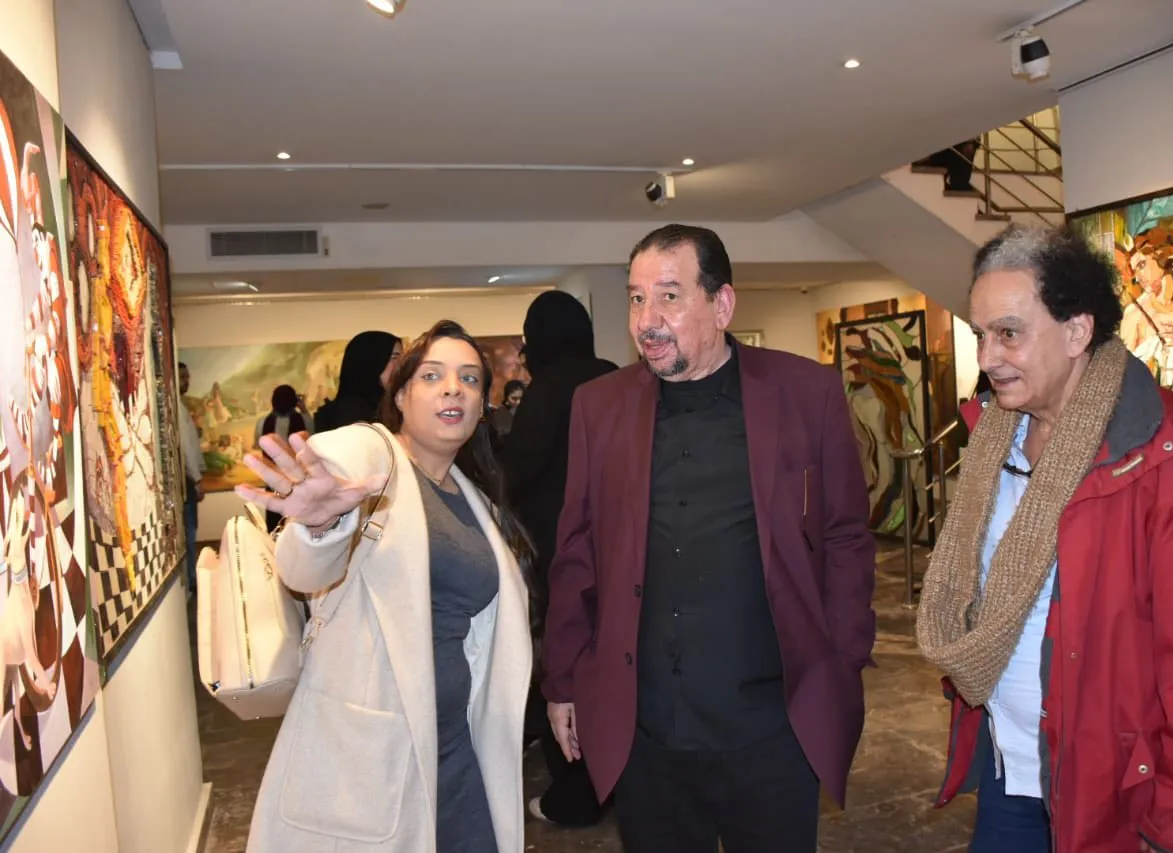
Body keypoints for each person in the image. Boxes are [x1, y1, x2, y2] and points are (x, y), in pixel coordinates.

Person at [916, 224, 1173, 853]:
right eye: (981, 335)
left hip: (1120, 800)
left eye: (1009, 333)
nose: (989, 357)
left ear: (1078, 331)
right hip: (1009, 775)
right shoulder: (996, 443)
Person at [541, 224, 877, 852]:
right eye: (636, 298)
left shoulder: (807, 393)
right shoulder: (598, 406)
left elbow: (845, 536)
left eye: (669, 296)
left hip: (774, 727)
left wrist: (844, 656)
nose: (647, 320)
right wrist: (562, 680)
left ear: (722, 305)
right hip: (648, 732)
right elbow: (576, 552)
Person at [237, 320, 534, 853]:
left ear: (481, 406)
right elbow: (303, 571)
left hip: (455, 744)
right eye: (432, 376)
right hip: (373, 752)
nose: (453, 389)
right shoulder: (371, 456)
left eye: (469, 379)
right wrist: (319, 524)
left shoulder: (475, 500)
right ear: (400, 395)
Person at [499, 290, 617, 827]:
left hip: (562, 547)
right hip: (623, 546)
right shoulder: (615, 375)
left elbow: (519, 471)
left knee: (566, 664)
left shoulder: (547, 389)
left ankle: (576, 791)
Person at [312, 330, 402, 432]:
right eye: (394, 358)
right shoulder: (351, 411)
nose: (400, 365)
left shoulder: (388, 405)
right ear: (372, 361)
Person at [254, 385, 313, 531]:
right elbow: (311, 438)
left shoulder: (262, 422)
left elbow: (257, 444)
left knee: (274, 519)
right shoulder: (304, 420)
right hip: (298, 478)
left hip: (272, 478)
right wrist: (303, 408)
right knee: (296, 520)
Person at [177, 362, 205, 592]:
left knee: (190, 531)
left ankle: (191, 579)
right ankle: (192, 581)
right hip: (186, 481)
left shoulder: (181, 407)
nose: (187, 381)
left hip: (187, 479)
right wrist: (196, 479)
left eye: (187, 377)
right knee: (189, 531)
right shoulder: (178, 409)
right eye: (182, 377)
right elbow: (186, 448)